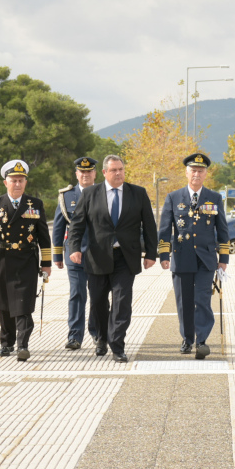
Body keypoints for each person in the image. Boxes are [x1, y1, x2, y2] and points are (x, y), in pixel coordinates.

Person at [67, 154, 158, 363]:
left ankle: (117, 346)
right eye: (114, 170)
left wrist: (151, 253)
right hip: (97, 257)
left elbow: (149, 226)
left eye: (121, 169)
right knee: (98, 302)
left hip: (126, 258)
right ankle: (101, 338)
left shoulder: (138, 193)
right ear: (104, 172)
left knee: (122, 302)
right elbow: (77, 225)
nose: (118, 173)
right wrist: (75, 248)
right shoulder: (90, 194)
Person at [0, 159, 52, 361]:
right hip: (3, 260)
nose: (17, 184)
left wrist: (46, 264)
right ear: (5, 182)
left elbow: (44, 236)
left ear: (25, 182)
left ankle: (22, 345)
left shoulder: (35, 204)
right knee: (4, 304)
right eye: (13, 180)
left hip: (26, 260)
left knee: (24, 304)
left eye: (21, 180)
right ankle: (7, 343)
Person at [158, 153, 230, 358]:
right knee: (184, 301)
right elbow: (165, 229)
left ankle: (202, 341)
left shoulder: (214, 198)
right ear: (186, 173)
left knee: (202, 299)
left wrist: (223, 259)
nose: (197, 174)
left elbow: (222, 229)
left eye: (200, 171)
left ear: (205, 174)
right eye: (193, 171)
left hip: (206, 259)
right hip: (182, 257)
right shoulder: (173, 197)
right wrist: (164, 254)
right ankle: (187, 339)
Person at [53, 156, 98, 350]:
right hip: (74, 253)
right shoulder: (67, 196)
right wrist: (57, 256)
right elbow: (58, 226)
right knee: (77, 294)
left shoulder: (103, 192)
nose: (85, 175)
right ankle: (74, 336)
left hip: (98, 254)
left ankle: (98, 334)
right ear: (76, 174)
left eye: (89, 171)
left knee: (98, 296)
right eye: (82, 172)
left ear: (95, 174)